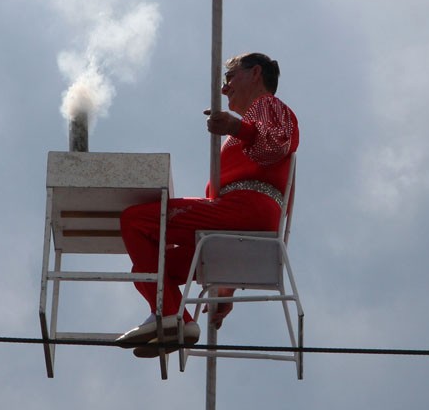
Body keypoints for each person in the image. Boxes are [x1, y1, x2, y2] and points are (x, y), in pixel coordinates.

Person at [116, 52, 299, 357]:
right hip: (240, 220)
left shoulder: (267, 106)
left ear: (255, 73)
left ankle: (171, 316)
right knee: (150, 269)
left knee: (136, 220)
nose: (224, 89)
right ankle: (176, 318)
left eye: (229, 78)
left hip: (246, 209)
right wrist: (225, 283)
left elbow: (275, 145)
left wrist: (235, 127)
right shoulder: (248, 127)